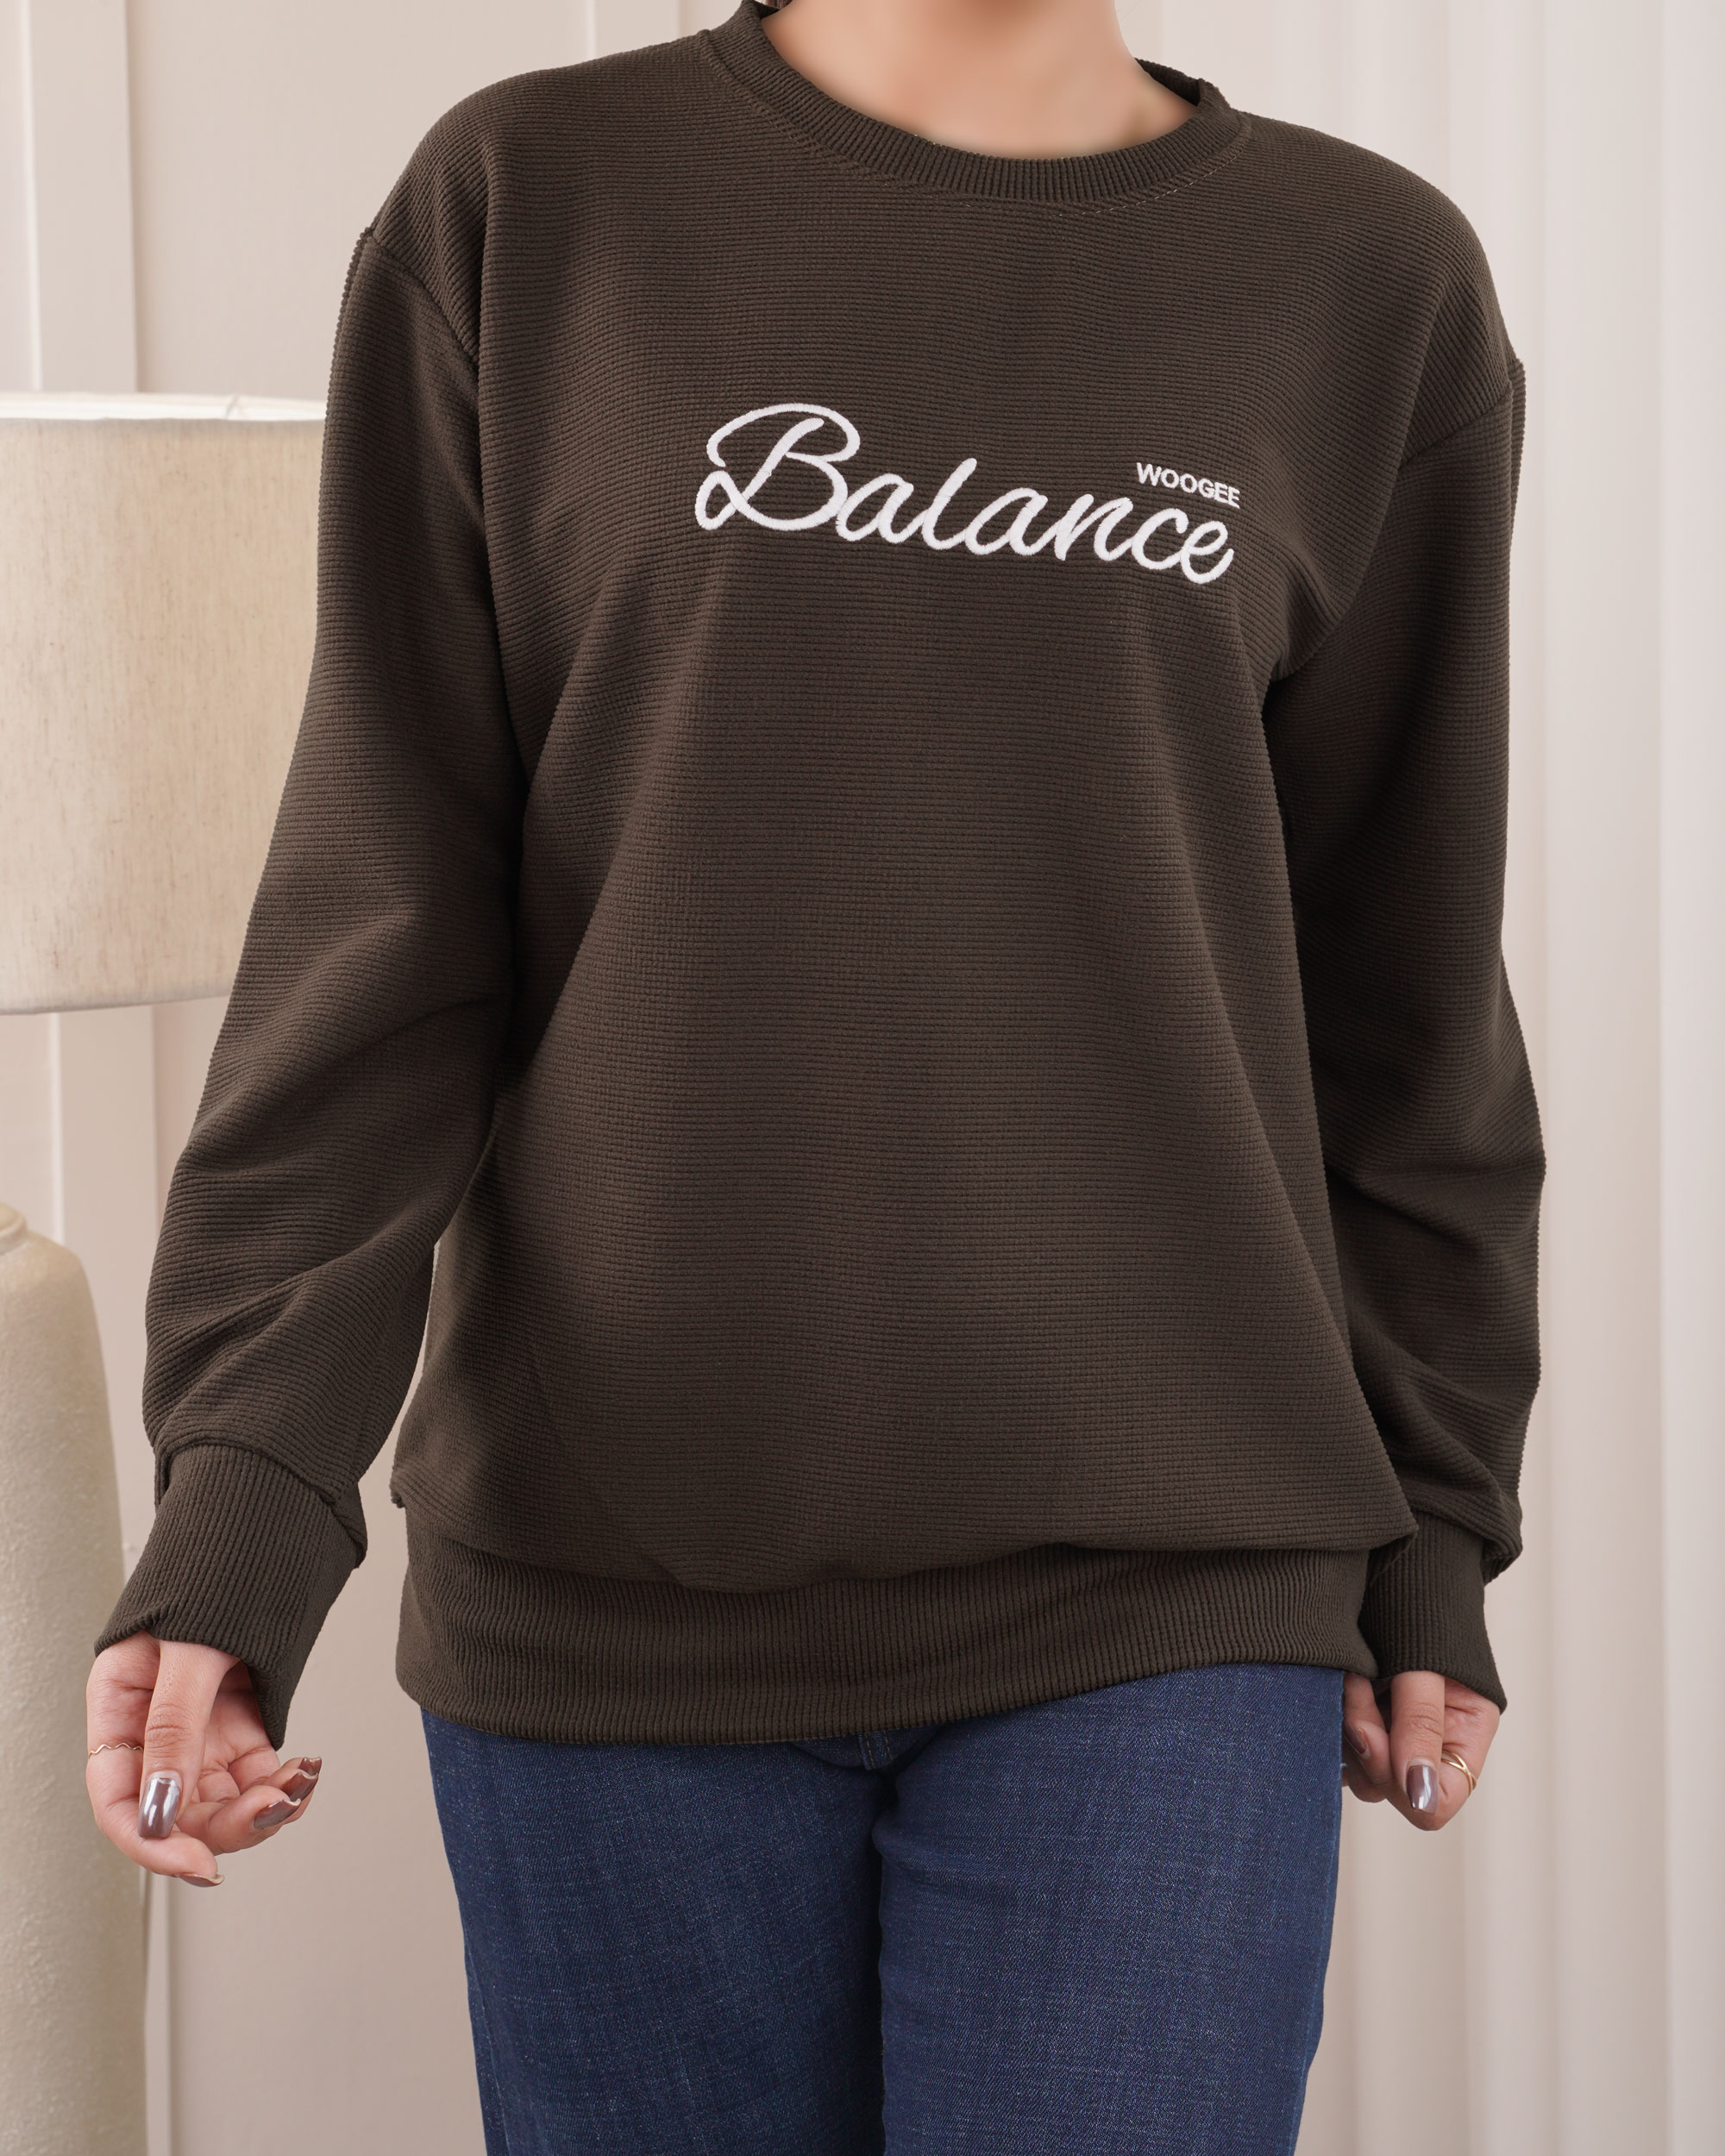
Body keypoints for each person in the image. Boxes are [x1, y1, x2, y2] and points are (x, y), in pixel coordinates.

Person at [85, 0, 1543, 2147]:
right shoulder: (528, 204)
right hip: (606, 1588)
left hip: (1170, 1576)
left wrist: (1433, 1518)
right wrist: (245, 1503)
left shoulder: (1366, 281)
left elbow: (1402, 986)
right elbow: (382, 930)